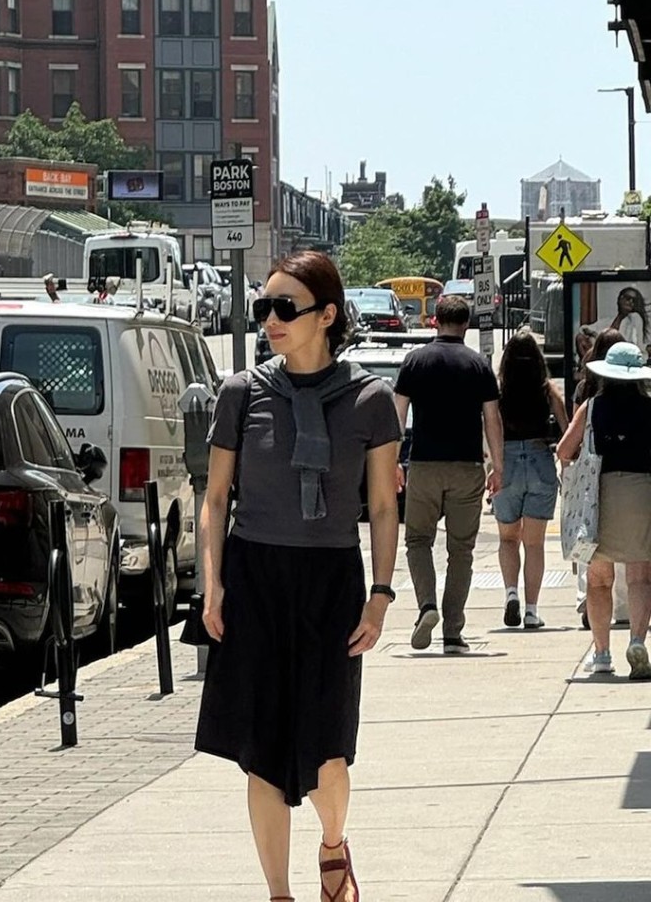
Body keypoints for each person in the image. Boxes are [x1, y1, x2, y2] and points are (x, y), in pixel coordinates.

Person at [195, 251, 400, 902]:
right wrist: (213, 582)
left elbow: (386, 505)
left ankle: (333, 843)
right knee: (258, 749)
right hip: (255, 574)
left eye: (286, 307)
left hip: (330, 579)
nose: (271, 321)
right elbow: (215, 498)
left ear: (328, 315)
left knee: (327, 748)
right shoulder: (241, 393)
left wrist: (381, 595)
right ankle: (280, 893)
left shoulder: (369, 400)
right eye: (264, 308)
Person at [394, 293, 503, 654]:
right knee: (461, 550)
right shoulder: (478, 365)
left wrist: (393, 462)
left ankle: (427, 605)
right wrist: (497, 466)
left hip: (424, 465)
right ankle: (453, 631)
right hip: (467, 467)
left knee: (417, 541)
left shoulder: (415, 362)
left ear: (434, 321)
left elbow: (398, 415)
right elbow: (492, 418)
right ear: (466, 324)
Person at [556, 340, 651, 679]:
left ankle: (602, 654)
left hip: (599, 496)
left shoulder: (593, 407)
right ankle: (638, 640)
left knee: (598, 580)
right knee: (640, 577)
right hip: (641, 493)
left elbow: (565, 450)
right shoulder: (648, 407)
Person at [493, 331, 568, 630]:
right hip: (540, 461)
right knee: (534, 544)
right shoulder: (548, 391)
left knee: (507, 538)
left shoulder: (499, 393)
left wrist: (493, 466)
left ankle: (511, 593)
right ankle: (532, 610)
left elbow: (489, 431)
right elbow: (565, 430)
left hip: (507, 463)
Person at [572, 329, 629, 631]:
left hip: (590, 474)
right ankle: (623, 607)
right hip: (631, 476)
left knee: (588, 541)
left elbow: (573, 436)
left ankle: (586, 599)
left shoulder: (585, 390)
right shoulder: (638, 393)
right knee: (627, 548)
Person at [576, 286, 649, 363]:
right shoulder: (608, 321)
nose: (631, 302)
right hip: (601, 356)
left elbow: (634, 344)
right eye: (628, 298)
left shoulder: (635, 318)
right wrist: (594, 334)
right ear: (620, 299)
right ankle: (587, 367)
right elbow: (584, 328)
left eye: (634, 300)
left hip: (621, 356)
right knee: (580, 338)